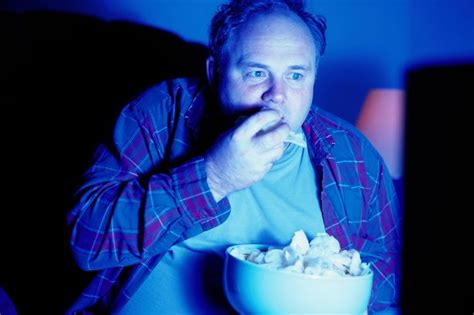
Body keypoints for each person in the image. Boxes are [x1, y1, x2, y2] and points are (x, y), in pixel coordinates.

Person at [66, 0, 402, 314]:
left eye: (295, 75)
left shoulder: (356, 159)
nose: (277, 95)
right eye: (257, 73)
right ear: (215, 72)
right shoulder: (160, 113)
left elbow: (382, 296)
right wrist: (214, 177)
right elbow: (86, 239)